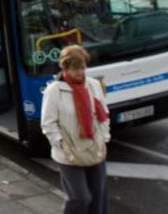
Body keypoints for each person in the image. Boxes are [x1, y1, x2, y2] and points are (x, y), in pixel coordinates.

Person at [41, 45, 111, 214]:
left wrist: (103, 138)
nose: (80, 73)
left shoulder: (93, 85)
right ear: (65, 68)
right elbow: (48, 124)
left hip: (94, 148)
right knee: (80, 198)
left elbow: (103, 115)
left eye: (82, 68)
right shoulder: (54, 90)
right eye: (74, 69)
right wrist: (62, 144)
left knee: (98, 197)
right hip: (69, 154)